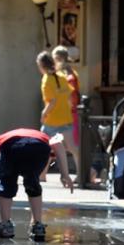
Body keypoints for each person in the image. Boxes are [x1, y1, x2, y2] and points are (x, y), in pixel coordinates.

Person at [0, 128, 73, 242]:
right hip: (39, 146)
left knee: (6, 183)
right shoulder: (43, 139)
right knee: (33, 183)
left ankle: (5, 226)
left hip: (10, 144)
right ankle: (37, 226)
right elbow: (57, 144)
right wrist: (65, 174)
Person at [36, 50, 78, 180]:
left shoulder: (46, 80)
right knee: (72, 148)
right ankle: (82, 173)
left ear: (42, 66)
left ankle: (42, 174)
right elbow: (69, 98)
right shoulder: (61, 76)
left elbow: (52, 101)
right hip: (66, 118)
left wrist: (43, 114)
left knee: (43, 146)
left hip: (52, 120)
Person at [52, 46, 80, 143]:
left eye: (54, 59)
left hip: (65, 114)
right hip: (70, 113)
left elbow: (70, 96)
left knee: (65, 143)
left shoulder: (66, 75)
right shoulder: (72, 73)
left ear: (58, 59)